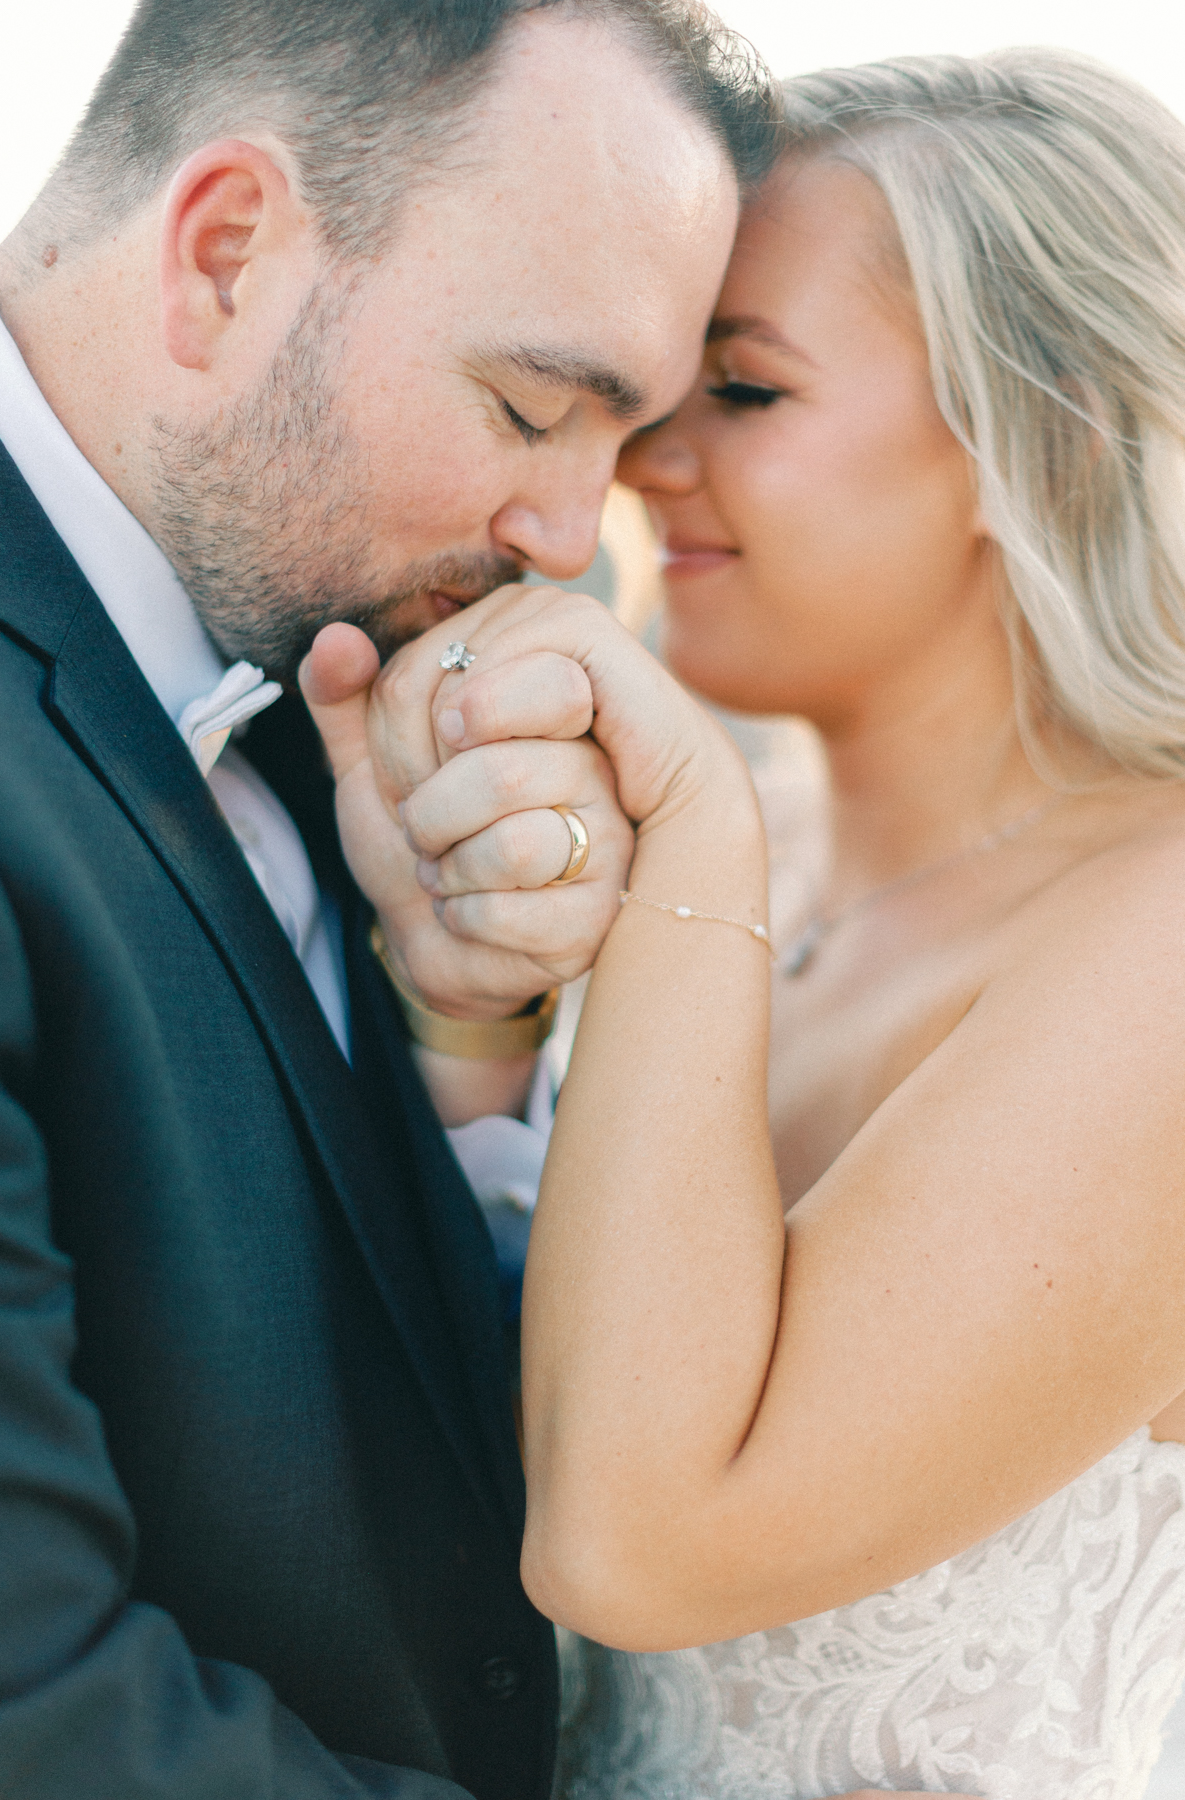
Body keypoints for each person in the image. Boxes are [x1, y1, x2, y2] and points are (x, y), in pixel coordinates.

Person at [359, 48, 1185, 1800]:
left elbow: (634, 1547)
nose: (639, 462)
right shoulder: (778, 871)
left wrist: (688, 837)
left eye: (741, 389)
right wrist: (475, 1014)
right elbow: (524, 1435)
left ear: (1049, 434)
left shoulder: (1162, 939)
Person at [0, 2, 779, 1795]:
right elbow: (30, 1712)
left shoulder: (313, 648)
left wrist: (464, 1040)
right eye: (530, 409)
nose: (571, 535)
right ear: (225, 252)